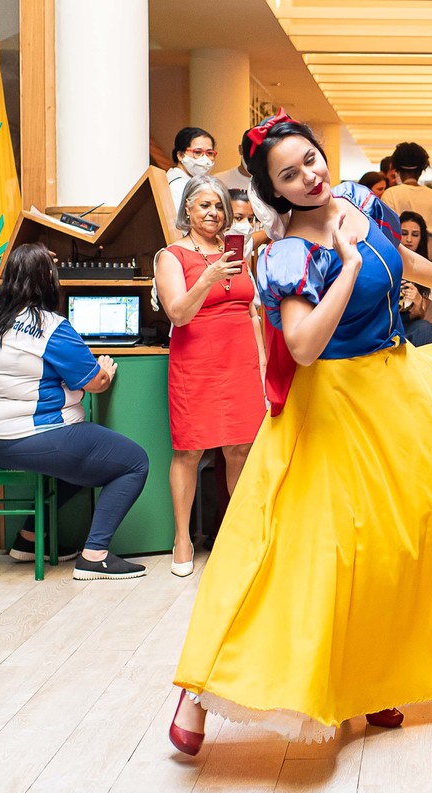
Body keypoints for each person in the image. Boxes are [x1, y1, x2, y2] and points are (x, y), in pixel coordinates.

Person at [167, 111, 432, 753]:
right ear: (273, 192)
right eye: (289, 175)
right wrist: (348, 268)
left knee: (395, 543)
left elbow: (400, 257)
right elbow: (302, 345)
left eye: (310, 159)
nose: (308, 176)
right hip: (332, 406)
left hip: (394, 390)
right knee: (303, 554)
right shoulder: (292, 251)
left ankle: (375, 677)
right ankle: (199, 690)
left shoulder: (359, 200)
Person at [0, 243, 149, 580]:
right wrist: (105, 373)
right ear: (47, 281)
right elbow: (94, 383)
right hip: (27, 440)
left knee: (78, 462)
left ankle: (29, 539)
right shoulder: (51, 327)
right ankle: (95, 556)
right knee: (134, 462)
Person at [154, 175, 266, 578]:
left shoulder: (238, 251)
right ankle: (182, 539)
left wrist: (263, 364)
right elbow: (178, 314)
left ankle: (239, 536)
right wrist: (208, 278)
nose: (213, 213)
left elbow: (252, 312)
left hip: (241, 361)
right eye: (204, 205)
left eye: (219, 206)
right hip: (196, 361)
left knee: (241, 449)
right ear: (187, 208)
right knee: (189, 450)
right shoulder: (171, 256)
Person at [381, 142, 432, 270]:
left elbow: (386, 230)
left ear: (397, 169)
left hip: (402, 250)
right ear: (421, 170)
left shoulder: (391, 194)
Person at [398, 210, 432, 347]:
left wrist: (418, 302)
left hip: (407, 323)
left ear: (421, 238)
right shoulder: (384, 260)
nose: (409, 239)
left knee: (424, 328)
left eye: (415, 235)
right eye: (404, 233)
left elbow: (419, 315)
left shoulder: (427, 271)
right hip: (380, 323)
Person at [167, 127, 217, 212]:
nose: (205, 159)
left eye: (209, 153)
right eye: (197, 152)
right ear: (180, 155)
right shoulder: (179, 185)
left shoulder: (193, 182)